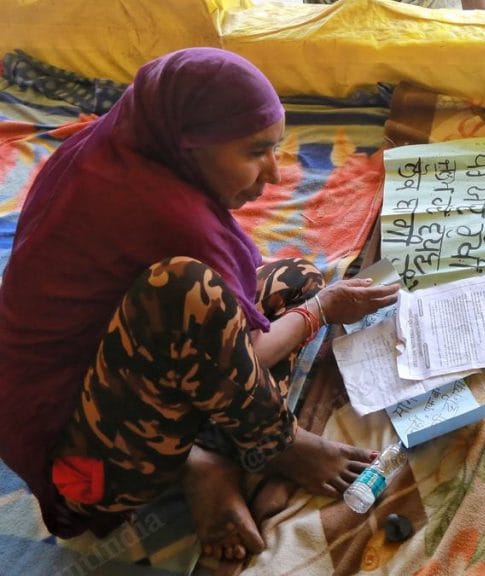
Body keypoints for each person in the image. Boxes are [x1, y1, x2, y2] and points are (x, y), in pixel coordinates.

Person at [0, 48, 400, 561]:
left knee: (297, 277)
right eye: (255, 152)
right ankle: (273, 445)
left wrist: (316, 301)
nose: (275, 174)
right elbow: (245, 357)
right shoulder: (173, 218)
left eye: (277, 148)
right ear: (187, 147)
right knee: (192, 290)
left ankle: (201, 460)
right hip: (80, 472)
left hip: (108, 376)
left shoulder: (120, 142)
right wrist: (320, 312)